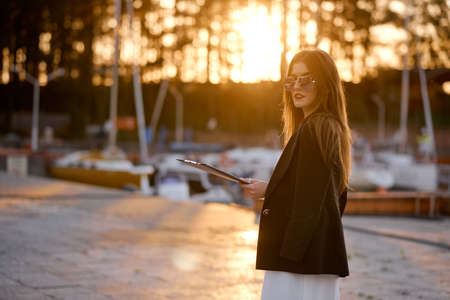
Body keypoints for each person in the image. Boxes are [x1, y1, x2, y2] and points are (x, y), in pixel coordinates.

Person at [240, 49, 353, 300]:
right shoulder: (325, 127)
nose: (297, 87)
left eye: (307, 79)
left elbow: (310, 199)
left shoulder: (318, 128)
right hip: (311, 254)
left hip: (300, 256)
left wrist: (268, 191)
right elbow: (319, 193)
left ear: (325, 84)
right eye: (292, 80)